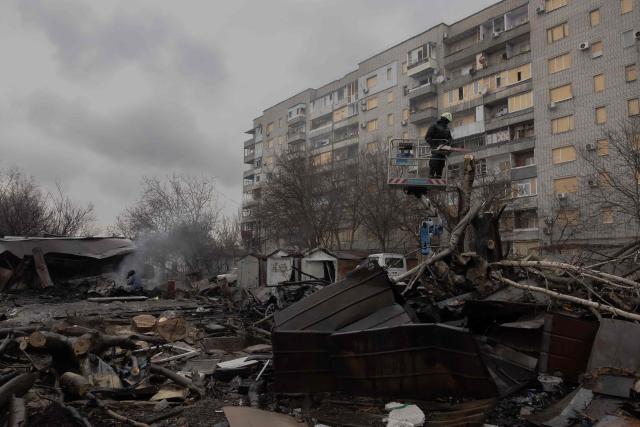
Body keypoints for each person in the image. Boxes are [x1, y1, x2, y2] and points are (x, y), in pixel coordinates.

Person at [425, 112, 453, 179]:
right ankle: (431, 176)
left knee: (441, 164)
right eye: (447, 121)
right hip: (435, 149)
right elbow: (427, 137)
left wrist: (449, 143)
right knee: (434, 161)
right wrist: (435, 145)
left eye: (448, 122)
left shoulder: (447, 129)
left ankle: (438, 177)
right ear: (444, 119)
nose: (447, 123)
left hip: (443, 150)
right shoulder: (434, 125)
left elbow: (450, 138)